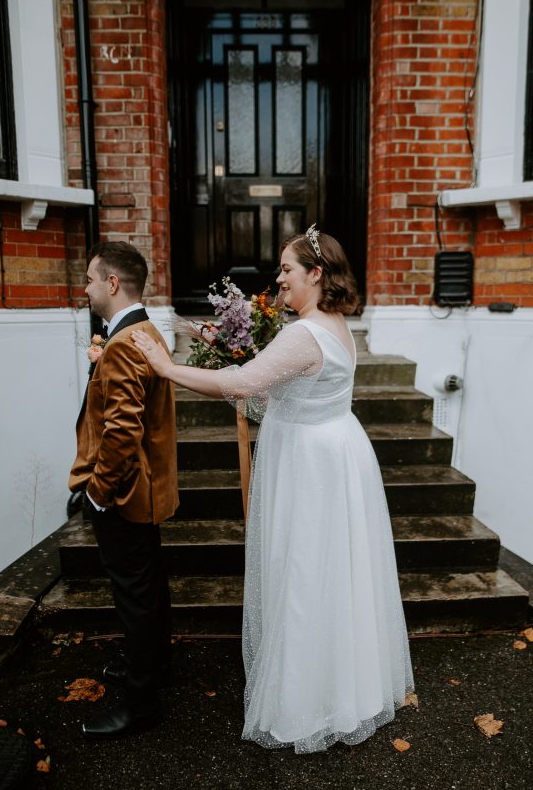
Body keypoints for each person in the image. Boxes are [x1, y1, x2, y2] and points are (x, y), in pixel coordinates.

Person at [132, 225, 414, 753]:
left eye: (287, 269)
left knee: (305, 569)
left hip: (309, 462)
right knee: (335, 570)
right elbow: (275, 390)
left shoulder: (302, 334)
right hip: (335, 450)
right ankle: (342, 684)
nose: (278, 278)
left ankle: (303, 703)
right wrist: (229, 355)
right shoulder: (334, 324)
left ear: (317, 273)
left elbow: (244, 386)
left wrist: (169, 367)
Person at [70, 241, 179, 739]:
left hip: (126, 494)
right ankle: (151, 666)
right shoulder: (146, 332)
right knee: (150, 587)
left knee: (134, 596)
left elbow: (121, 431)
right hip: (148, 489)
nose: (86, 288)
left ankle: (140, 704)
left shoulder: (122, 344)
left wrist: (97, 493)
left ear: (112, 284)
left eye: (90, 279)